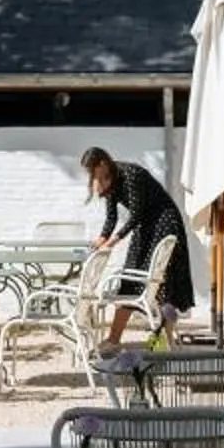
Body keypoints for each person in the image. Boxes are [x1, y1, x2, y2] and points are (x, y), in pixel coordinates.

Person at [81, 147, 196, 348]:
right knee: (129, 280)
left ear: (102, 164)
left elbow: (136, 214)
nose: (91, 176)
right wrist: (102, 238)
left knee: (162, 281)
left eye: (92, 171)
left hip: (164, 223)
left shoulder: (130, 174)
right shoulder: (110, 182)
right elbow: (111, 217)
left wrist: (114, 240)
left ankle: (164, 340)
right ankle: (115, 338)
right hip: (146, 226)